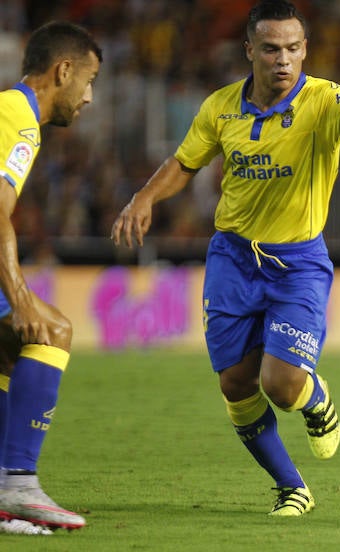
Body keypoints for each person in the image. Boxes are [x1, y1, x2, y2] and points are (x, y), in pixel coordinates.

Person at [110, 0, 340, 515]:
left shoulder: (321, 100)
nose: (283, 59)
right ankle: (292, 487)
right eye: (271, 49)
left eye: (293, 48)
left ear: (305, 49)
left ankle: (316, 400)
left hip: (298, 265)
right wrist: (144, 198)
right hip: (232, 258)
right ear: (250, 50)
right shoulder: (220, 107)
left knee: (282, 384)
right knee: (235, 383)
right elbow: (185, 163)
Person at [0, 21, 101, 531]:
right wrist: (18, 296)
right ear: (62, 71)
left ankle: (4, 492)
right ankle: (17, 485)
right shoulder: (17, 116)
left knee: (8, 349)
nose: (89, 97)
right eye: (88, 80)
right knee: (50, 328)